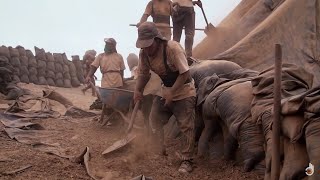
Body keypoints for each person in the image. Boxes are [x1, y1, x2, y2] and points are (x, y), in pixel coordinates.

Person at [134, 22, 196, 173]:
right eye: (143, 46)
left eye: (149, 45)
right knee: (155, 117)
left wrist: (172, 93)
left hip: (184, 91)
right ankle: (159, 149)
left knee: (186, 125)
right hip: (166, 90)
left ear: (157, 39)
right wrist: (137, 90)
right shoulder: (144, 53)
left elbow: (185, 73)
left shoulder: (172, 48)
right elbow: (143, 74)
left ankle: (187, 160)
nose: (146, 49)